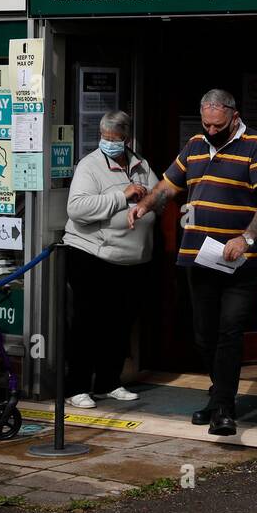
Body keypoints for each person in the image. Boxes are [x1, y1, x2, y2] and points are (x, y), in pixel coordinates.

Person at [128, 89, 257, 436]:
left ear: (234, 115)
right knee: (204, 335)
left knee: (230, 331)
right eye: (206, 124)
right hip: (201, 257)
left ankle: (225, 409)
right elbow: (169, 186)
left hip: (242, 260)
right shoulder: (196, 144)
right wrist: (144, 206)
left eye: (217, 125)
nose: (211, 131)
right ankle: (218, 396)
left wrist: (245, 238)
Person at [62, 110, 159, 409]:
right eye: (104, 138)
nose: (109, 144)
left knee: (120, 323)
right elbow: (76, 208)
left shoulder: (141, 164)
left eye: (115, 139)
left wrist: (147, 200)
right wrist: (122, 196)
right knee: (88, 323)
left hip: (132, 259)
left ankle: (109, 381)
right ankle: (77, 386)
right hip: (92, 255)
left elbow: (160, 195)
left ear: (126, 139)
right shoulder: (89, 166)